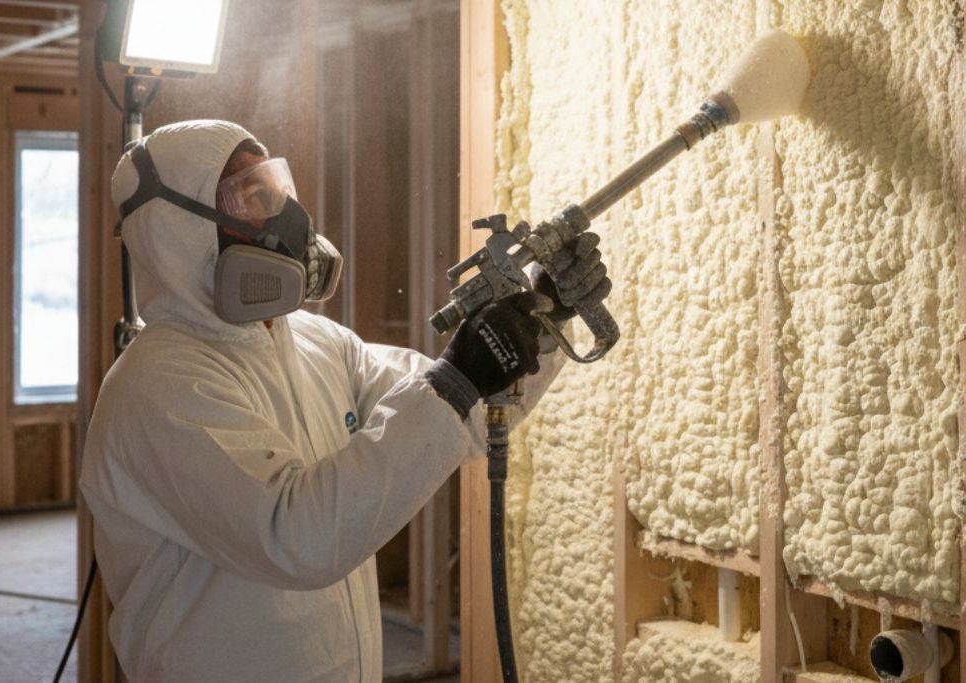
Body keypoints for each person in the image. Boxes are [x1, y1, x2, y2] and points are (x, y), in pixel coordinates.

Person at [78, 119, 610, 681]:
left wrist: (544, 312)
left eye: (275, 184)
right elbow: (298, 538)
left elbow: (464, 416)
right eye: (251, 195)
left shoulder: (314, 340)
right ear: (181, 234)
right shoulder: (161, 386)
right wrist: (456, 380)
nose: (287, 214)